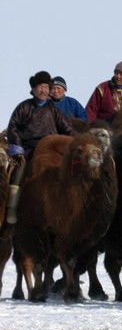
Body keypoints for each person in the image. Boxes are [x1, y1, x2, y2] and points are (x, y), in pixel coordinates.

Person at [6, 70, 75, 224]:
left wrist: (76, 140)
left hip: (50, 149)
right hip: (28, 149)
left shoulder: (54, 110)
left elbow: (67, 128)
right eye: (40, 87)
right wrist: (17, 148)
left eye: (46, 87)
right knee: (17, 173)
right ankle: (11, 209)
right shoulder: (24, 107)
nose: (43, 90)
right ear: (34, 89)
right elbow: (13, 127)